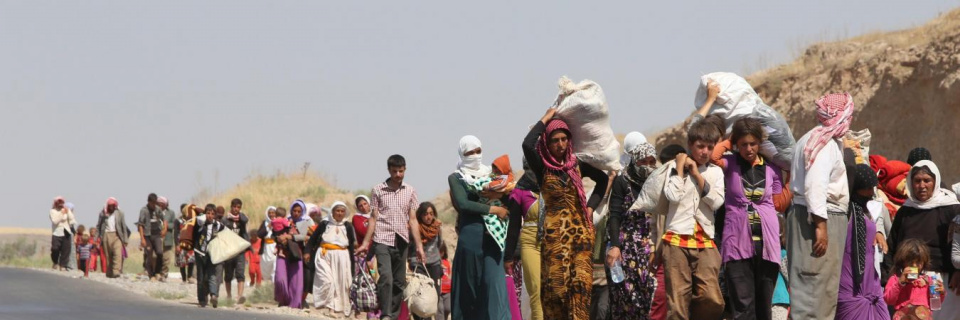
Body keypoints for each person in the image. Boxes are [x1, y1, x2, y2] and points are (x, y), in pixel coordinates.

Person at [521, 108, 610, 320]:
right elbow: (527, 144)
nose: (560, 144)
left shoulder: (577, 165)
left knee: (580, 289)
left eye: (564, 139)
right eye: (555, 140)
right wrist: (546, 117)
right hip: (554, 239)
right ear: (547, 143)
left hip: (580, 234)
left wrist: (590, 207)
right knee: (557, 293)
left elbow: (603, 180)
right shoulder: (543, 167)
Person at [710, 118, 785, 320]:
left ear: (760, 143)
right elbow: (713, 156)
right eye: (743, 144)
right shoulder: (731, 163)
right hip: (737, 246)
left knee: (764, 307)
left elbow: (778, 201)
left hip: (767, 247)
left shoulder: (772, 169)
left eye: (753, 143)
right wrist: (731, 139)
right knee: (743, 307)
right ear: (737, 144)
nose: (749, 149)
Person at [787, 93, 854, 320]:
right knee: (816, 289)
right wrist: (821, 227)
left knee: (816, 288)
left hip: (810, 214)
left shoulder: (811, 139)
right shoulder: (823, 144)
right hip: (819, 217)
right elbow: (815, 186)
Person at [656, 120, 725, 320]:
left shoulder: (715, 172)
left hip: (705, 241)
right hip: (676, 240)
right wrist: (680, 169)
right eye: (700, 146)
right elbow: (673, 196)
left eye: (709, 147)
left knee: (712, 298)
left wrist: (696, 173)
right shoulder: (673, 169)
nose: (705, 151)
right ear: (690, 144)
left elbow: (717, 202)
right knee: (677, 302)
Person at [446, 135, 511, 320]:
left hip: (494, 238)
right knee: (470, 291)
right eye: (469, 152)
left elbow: (508, 197)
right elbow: (463, 203)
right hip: (471, 238)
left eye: (478, 151)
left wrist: (498, 195)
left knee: (494, 288)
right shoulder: (457, 178)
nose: (475, 155)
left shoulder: (492, 175)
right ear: (462, 154)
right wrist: (493, 208)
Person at [885, 160, 960, 318]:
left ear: (935, 182)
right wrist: (891, 280)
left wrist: (958, 271)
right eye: (917, 181)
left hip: (942, 280)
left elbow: (957, 244)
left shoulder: (950, 208)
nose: (922, 185)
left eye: (927, 180)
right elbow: (892, 246)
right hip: (909, 280)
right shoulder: (905, 211)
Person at [356, 154, 426, 320]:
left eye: (401, 171)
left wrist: (419, 246)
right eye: (394, 171)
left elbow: (413, 219)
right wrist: (366, 243)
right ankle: (386, 314)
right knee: (386, 277)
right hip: (382, 239)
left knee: (399, 282)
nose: (398, 175)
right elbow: (373, 218)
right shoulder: (378, 190)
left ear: (405, 170)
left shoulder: (410, 191)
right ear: (389, 170)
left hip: (401, 240)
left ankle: (393, 315)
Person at [603, 132, 658, 320]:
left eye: (652, 161)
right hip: (625, 248)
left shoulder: (656, 182)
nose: (648, 166)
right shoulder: (622, 181)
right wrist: (615, 246)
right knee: (625, 299)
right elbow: (615, 215)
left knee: (649, 296)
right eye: (644, 161)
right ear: (634, 160)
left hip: (650, 247)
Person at [835, 164, 890, 320]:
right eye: (868, 188)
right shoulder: (844, 211)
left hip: (871, 281)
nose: (872, 192)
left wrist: (878, 232)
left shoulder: (868, 210)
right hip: (850, 282)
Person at [503, 159, 543, 320]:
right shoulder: (519, 192)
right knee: (536, 291)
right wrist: (508, 257)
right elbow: (513, 228)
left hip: (553, 242)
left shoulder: (550, 187)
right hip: (530, 242)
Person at [306, 201, 357, 318]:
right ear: (332, 212)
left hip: (342, 257)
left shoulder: (347, 226)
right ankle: (325, 303)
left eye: (342, 211)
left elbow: (350, 245)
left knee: (339, 282)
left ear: (345, 213)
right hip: (324, 254)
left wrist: (352, 259)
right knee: (328, 280)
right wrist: (307, 252)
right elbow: (313, 239)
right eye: (337, 211)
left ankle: (333, 309)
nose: (339, 213)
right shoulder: (324, 224)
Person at [885, 239, 945, 320]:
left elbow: (935, 305)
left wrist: (941, 293)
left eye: (918, 262)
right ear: (903, 262)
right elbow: (889, 300)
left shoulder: (928, 281)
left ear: (924, 262)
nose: (914, 265)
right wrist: (900, 282)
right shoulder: (896, 279)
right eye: (910, 262)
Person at [409, 202, 445, 320]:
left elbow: (439, 244)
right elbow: (409, 246)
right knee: (419, 295)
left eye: (431, 213)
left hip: (434, 264)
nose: (428, 217)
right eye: (425, 214)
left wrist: (437, 260)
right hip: (418, 264)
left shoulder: (437, 227)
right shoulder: (414, 228)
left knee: (434, 295)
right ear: (420, 215)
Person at [194, 204, 225, 308]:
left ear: (215, 215)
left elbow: (225, 234)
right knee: (201, 277)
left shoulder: (218, 225)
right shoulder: (200, 223)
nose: (210, 216)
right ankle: (202, 300)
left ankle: (213, 296)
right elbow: (198, 218)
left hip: (211, 255)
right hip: (200, 253)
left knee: (212, 275)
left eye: (212, 214)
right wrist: (202, 213)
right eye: (208, 213)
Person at [274, 206, 304, 309]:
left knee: (296, 281)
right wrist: (278, 238)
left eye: (299, 211)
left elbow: (307, 237)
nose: (296, 213)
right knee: (280, 278)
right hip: (283, 252)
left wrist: (291, 237)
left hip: (296, 253)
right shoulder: (284, 221)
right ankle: (283, 300)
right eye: (294, 211)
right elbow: (274, 233)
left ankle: (294, 304)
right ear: (290, 211)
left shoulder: (305, 222)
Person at [221, 198, 250, 304]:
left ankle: (239, 296)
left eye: (238, 207)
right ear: (231, 207)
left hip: (240, 251)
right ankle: (229, 295)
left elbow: (245, 221)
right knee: (228, 274)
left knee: (240, 273)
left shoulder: (242, 219)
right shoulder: (225, 220)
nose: (236, 209)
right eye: (234, 207)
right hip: (229, 251)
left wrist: (240, 217)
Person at [96, 197, 130, 278]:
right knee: (108, 256)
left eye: (113, 205)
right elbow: (98, 226)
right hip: (106, 235)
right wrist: (96, 238)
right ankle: (110, 272)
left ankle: (116, 271)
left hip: (117, 235)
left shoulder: (120, 213)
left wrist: (125, 239)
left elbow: (123, 226)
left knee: (117, 254)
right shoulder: (103, 213)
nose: (111, 207)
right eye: (110, 206)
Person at [138, 193, 166, 281]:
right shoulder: (144, 210)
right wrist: (142, 239)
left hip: (157, 234)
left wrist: (164, 229)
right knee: (149, 254)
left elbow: (164, 220)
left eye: (155, 203)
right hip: (147, 235)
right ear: (149, 202)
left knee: (160, 252)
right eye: (152, 203)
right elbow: (140, 225)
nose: (154, 205)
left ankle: (158, 272)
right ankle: (151, 274)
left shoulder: (158, 209)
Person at [50, 196, 76, 271]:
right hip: (57, 232)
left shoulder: (65, 210)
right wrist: (61, 213)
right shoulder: (53, 211)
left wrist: (68, 212)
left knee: (66, 249)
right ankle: (55, 262)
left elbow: (72, 219)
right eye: (59, 202)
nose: (60, 204)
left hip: (66, 231)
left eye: (61, 202)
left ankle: (63, 265)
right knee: (55, 248)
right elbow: (55, 221)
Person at [176, 204, 197, 284]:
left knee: (191, 260)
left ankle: (189, 277)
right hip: (181, 244)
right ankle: (184, 279)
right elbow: (176, 233)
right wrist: (177, 245)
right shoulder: (178, 221)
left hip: (190, 243)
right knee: (182, 262)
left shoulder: (192, 220)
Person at [158, 196, 177, 282]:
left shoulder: (171, 213)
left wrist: (165, 225)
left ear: (166, 205)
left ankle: (164, 274)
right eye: (159, 204)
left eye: (162, 204)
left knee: (166, 257)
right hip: (157, 237)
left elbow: (174, 225)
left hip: (167, 238)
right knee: (156, 256)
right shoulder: (155, 212)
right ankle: (156, 273)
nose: (160, 206)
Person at [258, 206, 279, 283]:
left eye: (273, 213)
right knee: (266, 269)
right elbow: (259, 234)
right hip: (266, 248)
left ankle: (274, 285)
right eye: (269, 213)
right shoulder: (265, 223)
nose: (271, 215)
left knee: (275, 267)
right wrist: (268, 227)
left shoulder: (279, 221)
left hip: (275, 247)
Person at [440, 245, 452, 320]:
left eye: (441, 252)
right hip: (439, 290)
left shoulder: (446, 263)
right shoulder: (435, 264)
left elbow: (448, 274)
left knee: (448, 308)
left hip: (448, 290)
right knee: (440, 310)